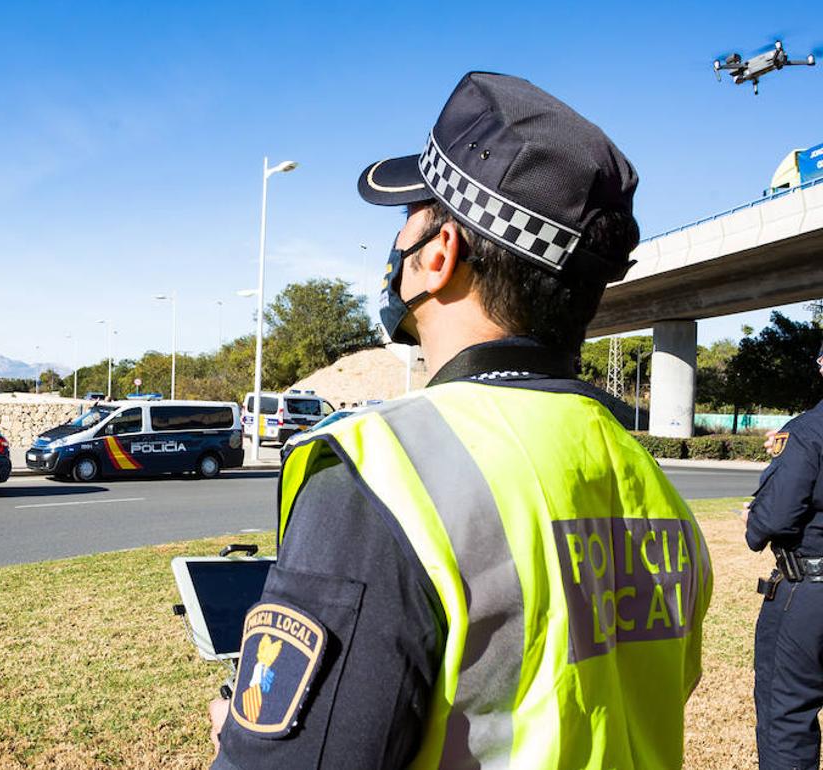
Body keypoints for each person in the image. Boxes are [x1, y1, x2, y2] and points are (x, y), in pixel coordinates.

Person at [207, 72, 712, 769]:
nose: (396, 244)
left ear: (439, 255)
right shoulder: (655, 490)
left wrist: (236, 741)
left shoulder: (383, 474)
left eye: (408, 216)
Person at [745, 342, 823, 770]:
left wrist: (752, 518)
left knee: (787, 720)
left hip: (809, 594)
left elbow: (772, 521)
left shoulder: (809, 431)